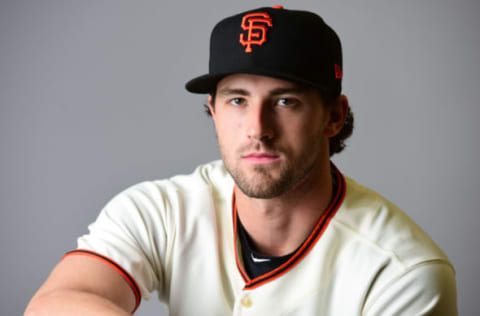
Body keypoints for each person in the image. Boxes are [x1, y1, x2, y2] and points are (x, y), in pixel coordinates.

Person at [25, 6, 457, 316]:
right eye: (237, 100)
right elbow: (53, 305)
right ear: (213, 111)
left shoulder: (403, 272)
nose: (257, 127)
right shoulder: (161, 209)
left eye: (285, 101)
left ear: (334, 116)